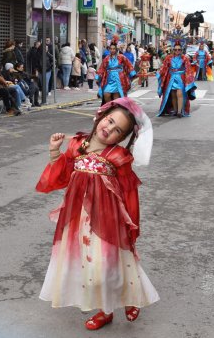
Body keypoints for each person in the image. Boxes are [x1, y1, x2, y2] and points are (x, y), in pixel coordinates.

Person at [36, 97, 158, 331]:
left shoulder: (118, 157)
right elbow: (62, 177)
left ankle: (130, 298)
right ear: (100, 116)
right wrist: (54, 153)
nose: (109, 129)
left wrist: (129, 224)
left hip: (108, 220)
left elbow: (129, 192)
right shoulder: (77, 145)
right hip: (78, 218)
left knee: (109, 266)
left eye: (117, 130)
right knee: (89, 266)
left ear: (121, 139)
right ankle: (107, 310)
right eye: (109, 121)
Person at [157, 41, 196, 117]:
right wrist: (159, 73)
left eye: (179, 49)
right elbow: (164, 67)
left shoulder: (185, 58)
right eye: (175, 49)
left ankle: (179, 112)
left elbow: (188, 69)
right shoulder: (168, 58)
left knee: (179, 93)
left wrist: (189, 79)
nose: (177, 51)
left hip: (180, 78)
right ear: (173, 50)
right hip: (171, 78)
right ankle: (175, 110)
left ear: (181, 50)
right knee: (173, 94)